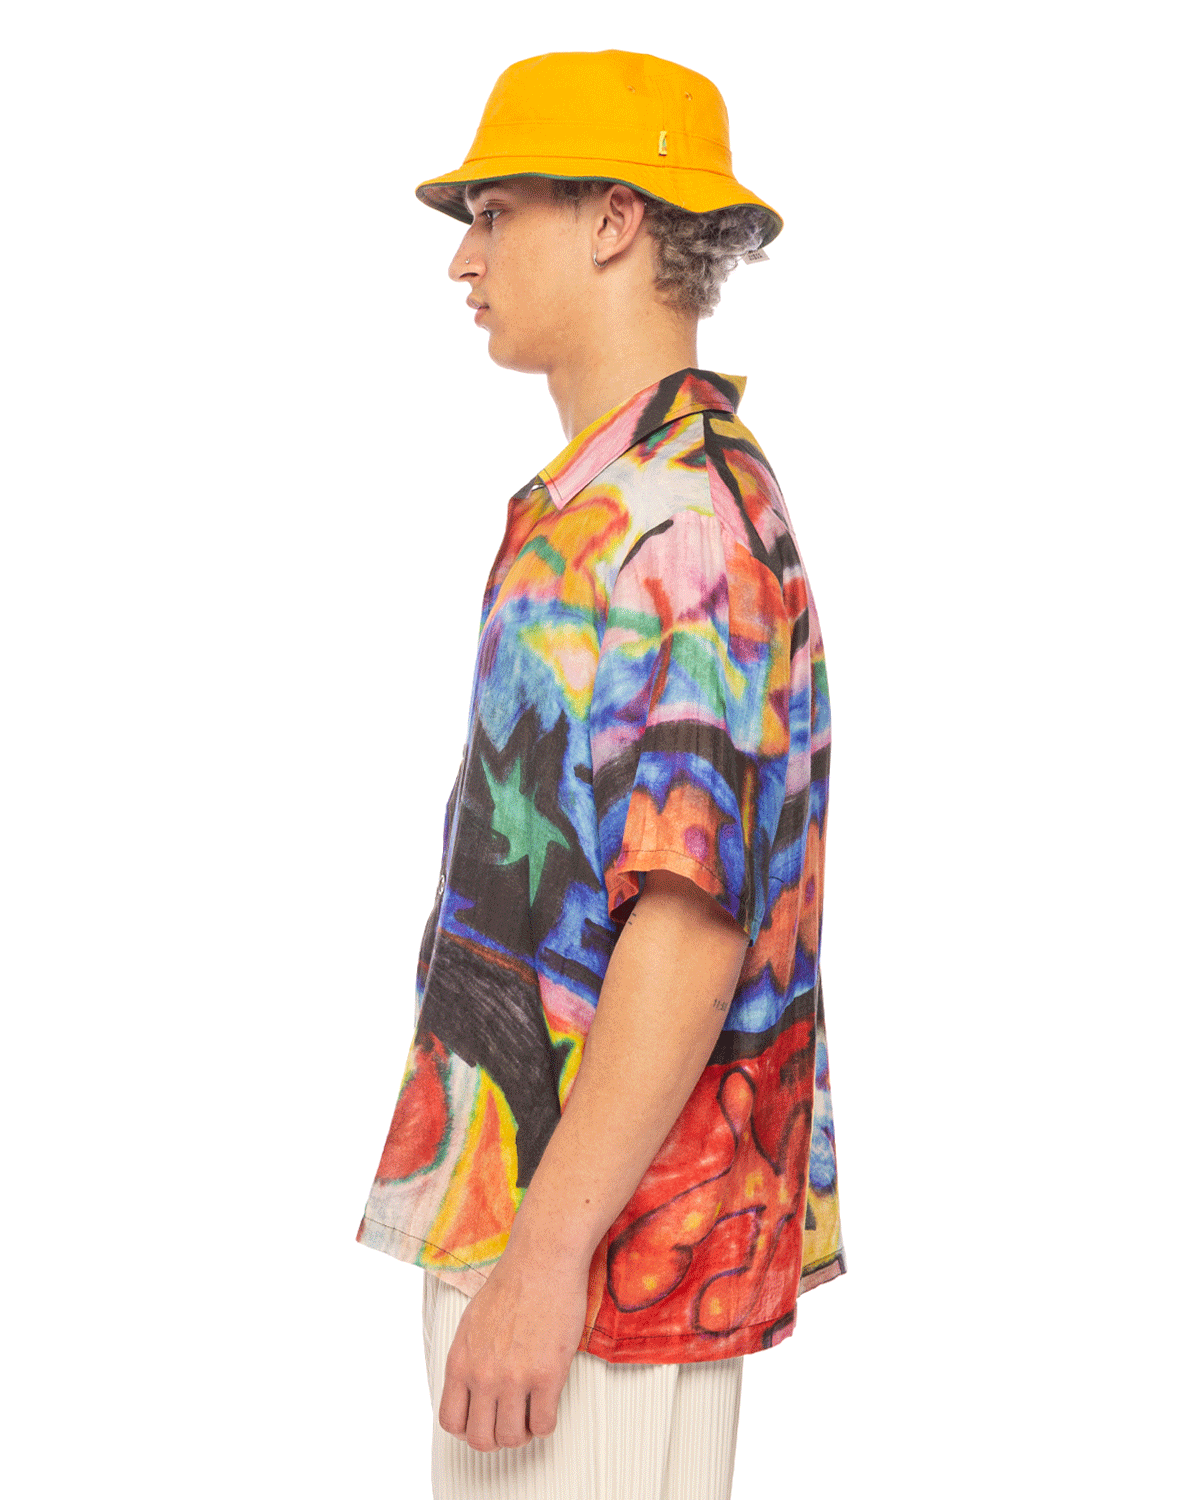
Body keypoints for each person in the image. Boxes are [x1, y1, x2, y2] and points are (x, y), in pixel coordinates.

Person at [356, 49, 846, 1499]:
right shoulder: (616, 500)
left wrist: (545, 1258)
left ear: (615, 220)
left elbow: (689, 925)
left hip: (598, 1264)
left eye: (493, 212)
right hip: (564, 1232)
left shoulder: (679, 525)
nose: (464, 260)